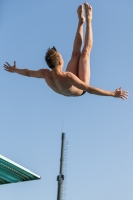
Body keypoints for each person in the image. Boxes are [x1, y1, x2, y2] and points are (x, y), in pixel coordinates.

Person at [3, 2, 128, 100]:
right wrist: (112, 93)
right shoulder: (67, 76)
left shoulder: (45, 73)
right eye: (61, 58)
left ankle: (80, 21)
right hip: (80, 88)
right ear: (60, 63)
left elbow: (28, 73)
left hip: (68, 85)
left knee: (75, 53)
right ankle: (89, 19)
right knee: (85, 53)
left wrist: (15, 70)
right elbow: (89, 89)